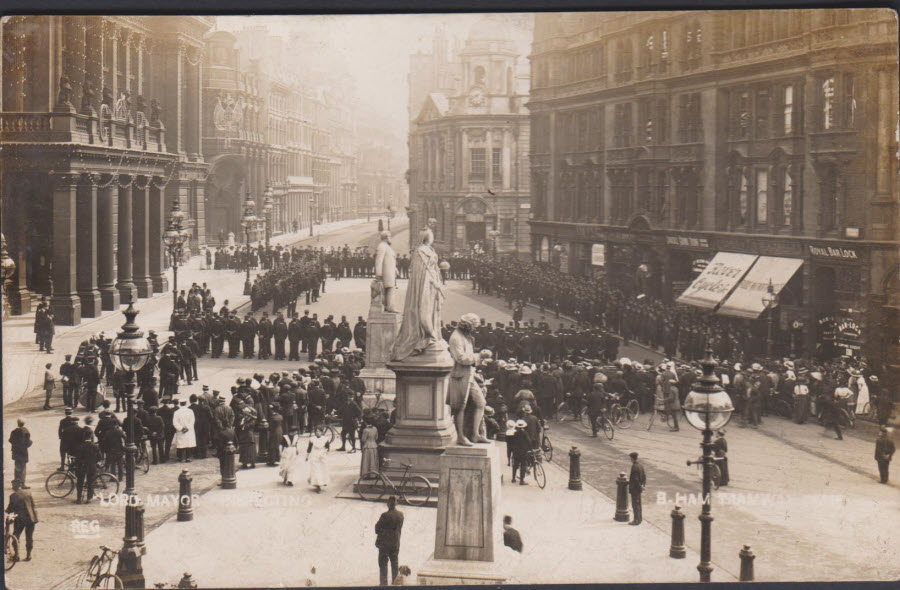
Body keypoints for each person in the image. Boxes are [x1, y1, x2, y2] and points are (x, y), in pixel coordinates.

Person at [391, 226, 444, 361]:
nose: (433, 236)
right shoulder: (420, 252)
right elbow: (421, 274)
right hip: (425, 287)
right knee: (424, 310)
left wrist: (438, 282)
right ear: (426, 237)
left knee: (432, 311)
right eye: (431, 234)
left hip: (433, 287)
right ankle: (424, 335)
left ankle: (432, 334)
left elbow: (434, 269)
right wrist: (433, 282)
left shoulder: (430, 250)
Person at [375, 495, 404, 586]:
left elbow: (377, 529)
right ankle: (395, 583)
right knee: (394, 563)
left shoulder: (384, 516)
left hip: (384, 543)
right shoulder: (400, 515)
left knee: (383, 564)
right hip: (395, 542)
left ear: (388, 504)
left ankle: (383, 584)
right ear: (396, 504)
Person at [6, 480, 38, 562]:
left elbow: (10, 509)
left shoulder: (13, 496)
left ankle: (17, 556)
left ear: (14, 487)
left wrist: (6, 511)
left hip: (20, 520)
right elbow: (33, 506)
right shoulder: (28, 493)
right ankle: (29, 555)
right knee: (29, 537)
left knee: (15, 536)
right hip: (31, 519)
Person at [375, 231, 399, 313]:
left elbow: (391, 260)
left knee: (390, 288)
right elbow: (379, 260)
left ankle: (389, 306)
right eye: (390, 236)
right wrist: (378, 273)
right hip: (386, 272)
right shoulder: (382, 246)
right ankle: (389, 306)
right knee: (388, 288)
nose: (391, 238)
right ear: (385, 237)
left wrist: (395, 269)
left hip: (390, 271)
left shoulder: (387, 246)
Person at [306, 425, 330, 492]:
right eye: (316, 431)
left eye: (319, 431)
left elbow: (327, 448)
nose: (317, 432)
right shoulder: (312, 439)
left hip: (322, 455)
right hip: (314, 454)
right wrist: (307, 456)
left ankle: (322, 482)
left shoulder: (325, 439)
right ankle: (318, 485)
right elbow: (309, 448)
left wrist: (324, 453)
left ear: (322, 432)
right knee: (315, 470)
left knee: (322, 469)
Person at [9, 418, 32, 488]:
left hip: (16, 452)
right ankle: (23, 484)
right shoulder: (26, 431)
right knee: (23, 468)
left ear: (17, 423)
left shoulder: (14, 431)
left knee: (17, 467)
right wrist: (30, 442)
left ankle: (16, 484)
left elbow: (10, 440)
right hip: (23, 452)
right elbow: (27, 442)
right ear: (24, 423)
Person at [510, 419, 532, 485]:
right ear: (524, 426)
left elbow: (512, 442)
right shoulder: (525, 433)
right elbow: (529, 442)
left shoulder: (515, 433)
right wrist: (531, 449)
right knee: (523, 465)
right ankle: (522, 481)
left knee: (515, 465)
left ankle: (513, 478)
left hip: (516, 451)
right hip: (523, 451)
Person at [628, 451, 646, 525]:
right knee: (639, 504)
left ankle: (636, 520)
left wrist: (639, 486)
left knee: (635, 505)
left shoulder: (634, 467)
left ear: (632, 458)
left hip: (635, 489)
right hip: (639, 489)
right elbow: (644, 477)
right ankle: (640, 519)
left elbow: (635, 479)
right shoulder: (641, 466)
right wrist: (643, 486)